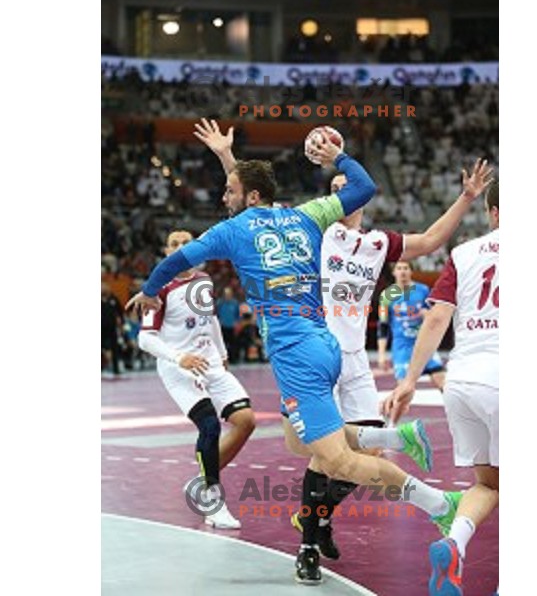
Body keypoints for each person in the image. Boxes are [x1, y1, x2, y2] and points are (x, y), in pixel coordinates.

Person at [127, 118, 492, 585]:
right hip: (324, 344)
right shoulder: (310, 217)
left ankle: (441, 505)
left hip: (303, 351)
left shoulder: (254, 231)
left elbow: (187, 253)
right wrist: (334, 157)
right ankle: (387, 444)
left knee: (337, 460)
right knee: (300, 444)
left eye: (229, 189)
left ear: (249, 196)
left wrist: (151, 291)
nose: (224, 197)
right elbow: (348, 187)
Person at [286, 168, 495, 559]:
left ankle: (317, 517)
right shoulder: (317, 234)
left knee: (369, 454)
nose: (338, 196)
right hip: (320, 353)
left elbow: (432, 240)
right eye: (332, 191)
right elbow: (261, 223)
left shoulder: (378, 243)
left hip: (355, 359)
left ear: (361, 198)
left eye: (344, 189)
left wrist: (467, 197)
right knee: (324, 453)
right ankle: (308, 546)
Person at [382, 182, 499, 596]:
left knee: (488, 483)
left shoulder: (463, 254)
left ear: (493, 212)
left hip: (463, 381)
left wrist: (409, 380)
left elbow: (435, 321)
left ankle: (455, 545)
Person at [137, 229, 256, 530]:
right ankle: (212, 499)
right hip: (179, 369)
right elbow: (145, 339)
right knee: (210, 426)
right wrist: (180, 358)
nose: (180, 248)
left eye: (186, 243)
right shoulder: (159, 288)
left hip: (212, 363)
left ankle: (204, 477)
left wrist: (223, 354)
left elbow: (211, 319)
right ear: (166, 252)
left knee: (246, 421)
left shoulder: (203, 281)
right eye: (174, 244)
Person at [378, 260, 446, 390]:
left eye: (405, 268)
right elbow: (383, 325)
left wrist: (427, 314)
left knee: (442, 382)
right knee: (403, 390)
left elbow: (435, 316)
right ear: (394, 272)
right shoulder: (386, 296)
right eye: (399, 268)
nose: (402, 271)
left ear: (411, 271)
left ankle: (454, 410)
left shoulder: (423, 290)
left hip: (423, 344)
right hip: (402, 347)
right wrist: (381, 354)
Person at [101, 282, 123, 377]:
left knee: (115, 348)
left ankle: (116, 369)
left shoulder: (113, 299)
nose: (104, 289)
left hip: (112, 327)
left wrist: (121, 323)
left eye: (105, 287)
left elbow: (120, 312)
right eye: (102, 287)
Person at [216, 287, 240, 363]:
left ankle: (234, 359)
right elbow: (216, 314)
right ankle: (223, 359)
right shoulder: (220, 303)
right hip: (223, 326)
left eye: (229, 294)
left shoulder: (235, 303)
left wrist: (236, 322)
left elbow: (237, 315)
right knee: (223, 344)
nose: (227, 296)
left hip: (232, 326)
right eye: (226, 294)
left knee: (233, 344)